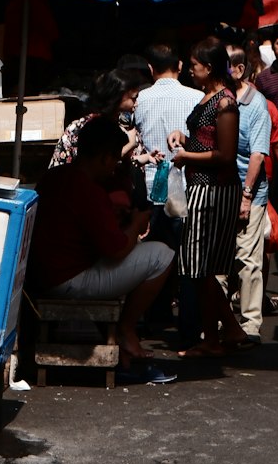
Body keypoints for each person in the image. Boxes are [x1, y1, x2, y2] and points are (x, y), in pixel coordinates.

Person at [29, 116, 175, 383]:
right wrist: (137, 223)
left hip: (45, 275)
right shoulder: (86, 189)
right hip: (68, 280)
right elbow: (117, 250)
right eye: (115, 160)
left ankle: (124, 331)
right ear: (105, 158)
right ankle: (126, 329)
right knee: (162, 256)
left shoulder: (55, 176)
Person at [168, 37, 254, 356]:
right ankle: (220, 335)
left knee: (199, 265)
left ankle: (223, 333)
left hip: (214, 189)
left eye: (194, 65)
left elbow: (225, 155)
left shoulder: (225, 102)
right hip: (201, 187)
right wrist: (184, 139)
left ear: (209, 67)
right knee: (198, 266)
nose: (190, 70)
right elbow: (203, 140)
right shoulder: (208, 99)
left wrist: (186, 156)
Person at [134, 44, 203, 245]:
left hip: (149, 188)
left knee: (151, 254)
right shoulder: (197, 98)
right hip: (185, 188)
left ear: (150, 68)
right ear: (180, 66)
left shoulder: (138, 99)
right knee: (183, 254)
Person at [228, 47, 273, 343]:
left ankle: (250, 322)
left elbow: (257, 155)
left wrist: (246, 197)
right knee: (221, 260)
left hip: (249, 193)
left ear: (239, 69)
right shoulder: (215, 100)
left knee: (247, 258)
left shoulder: (256, 105)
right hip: (220, 192)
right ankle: (222, 319)